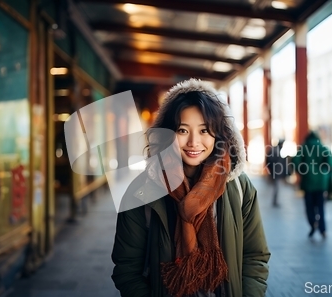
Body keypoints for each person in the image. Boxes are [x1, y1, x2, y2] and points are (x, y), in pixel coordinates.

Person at [111, 78, 270, 297]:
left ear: (220, 135)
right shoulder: (141, 192)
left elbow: (254, 257)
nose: (194, 142)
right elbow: (127, 268)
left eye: (204, 130)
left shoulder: (239, 187)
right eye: (183, 131)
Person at [291, 131, 332, 239]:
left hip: (308, 183)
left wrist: (302, 171)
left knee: (309, 207)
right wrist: (325, 172)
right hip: (321, 183)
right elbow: (330, 162)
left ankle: (313, 223)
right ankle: (323, 230)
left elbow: (295, 161)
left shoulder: (304, 148)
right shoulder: (323, 147)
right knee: (321, 208)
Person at [265, 140, 288, 207]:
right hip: (276, 172)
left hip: (276, 172)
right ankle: (275, 201)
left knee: (277, 187)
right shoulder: (275, 151)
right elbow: (271, 162)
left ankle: (275, 201)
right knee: (277, 187)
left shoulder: (276, 150)